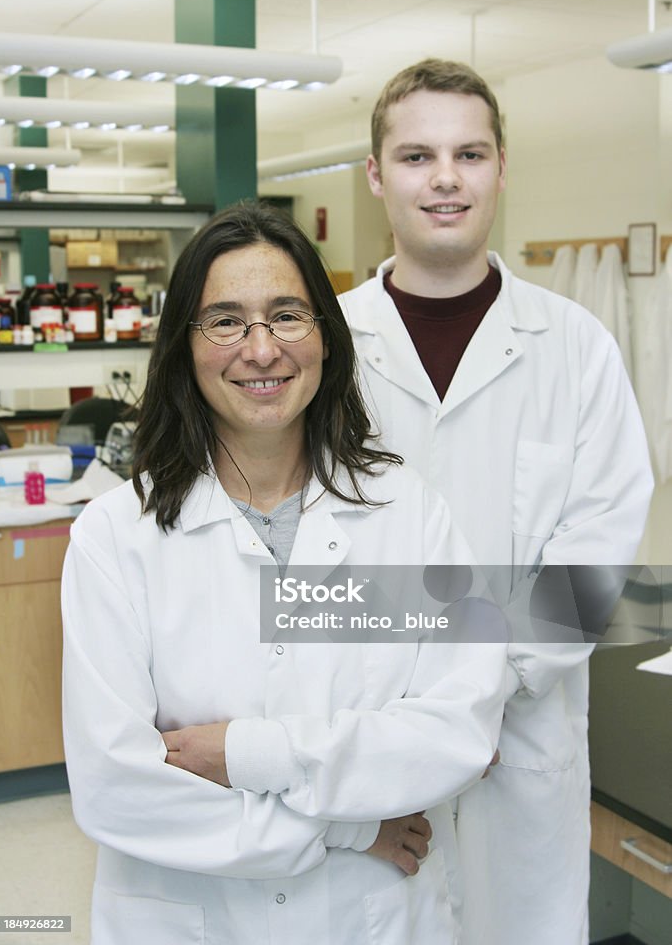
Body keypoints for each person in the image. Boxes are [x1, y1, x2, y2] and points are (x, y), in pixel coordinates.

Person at [61, 201, 507, 945]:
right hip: (193, 916)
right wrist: (343, 827)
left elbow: (455, 730)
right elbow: (118, 789)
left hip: (373, 915)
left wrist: (242, 753)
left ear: (325, 339)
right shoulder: (116, 537)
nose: (260, 350)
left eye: (287, 315)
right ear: (185, 345)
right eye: (225, 320)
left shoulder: (407, 515)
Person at [340, 60, 654, 945]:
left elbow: (594, 547)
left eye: (468, 152)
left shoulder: (575, 348)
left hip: (518, 745)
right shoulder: (322, 348)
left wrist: (476, 699)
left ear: (500, 167)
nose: (445, 177)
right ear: (376, 175)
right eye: (416, 155)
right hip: (366, 745)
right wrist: (413, 728)